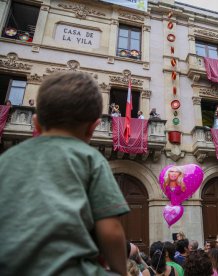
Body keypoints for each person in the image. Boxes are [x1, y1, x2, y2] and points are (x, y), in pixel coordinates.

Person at [0, 72, 130, 275]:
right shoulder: (91, 159)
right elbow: (111, 229)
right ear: (93, 127)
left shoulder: (6, 160)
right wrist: (120, 271)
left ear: (36, 123)